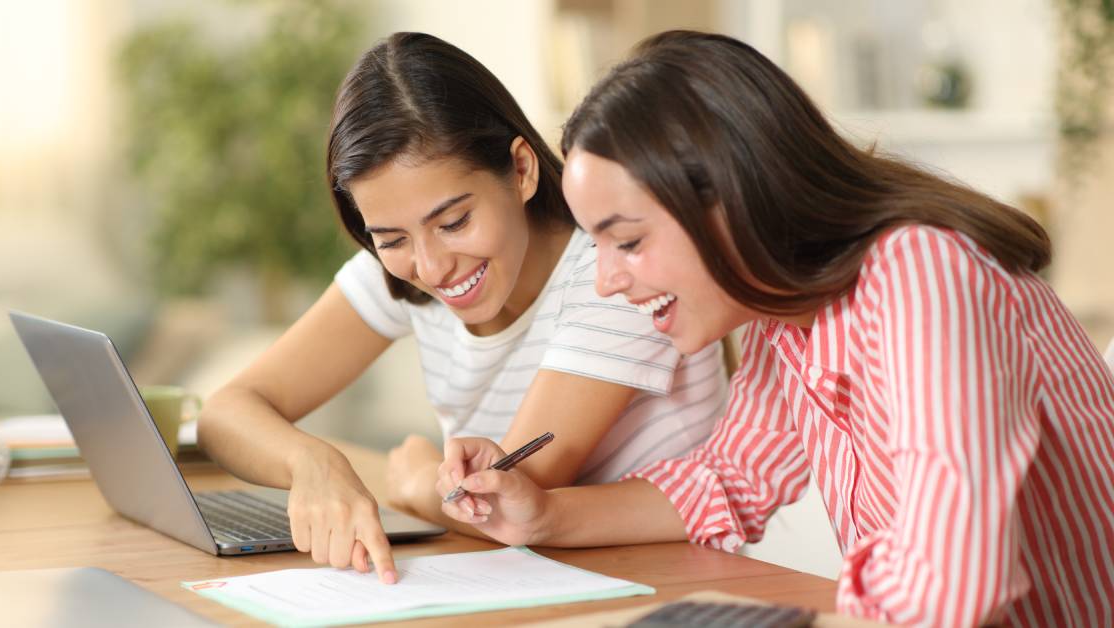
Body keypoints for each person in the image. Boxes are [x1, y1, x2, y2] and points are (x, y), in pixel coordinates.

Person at [436, 31, 1114, 626]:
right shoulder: (785, 323)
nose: (607, 281)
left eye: (629, 242)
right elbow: (726, 480)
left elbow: (953, 592)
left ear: (730, 201)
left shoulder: (920, 270)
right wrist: (543, 515)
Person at [197, 32, 730, 585]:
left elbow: (514, 499)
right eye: (390, 237)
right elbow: (223, 413)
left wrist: (413, 481)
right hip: (534, 580)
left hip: (666, 582)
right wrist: (314, 463)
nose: (431, 268)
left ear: (521, 170)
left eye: (453, 222)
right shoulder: (406, 268)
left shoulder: (614, 273)